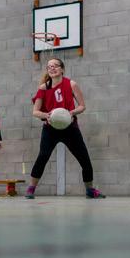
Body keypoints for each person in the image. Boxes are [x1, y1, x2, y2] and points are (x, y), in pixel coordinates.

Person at [25, 56, 105, 200]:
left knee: (85, 160)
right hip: (50, 129)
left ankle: (90, 190)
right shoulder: (43, 88)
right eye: (49, 66)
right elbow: (35, 112)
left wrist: (71, 113)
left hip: (70, 128)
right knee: (42, 157)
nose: (52, 68)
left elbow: (82, 106)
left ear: (62, 69)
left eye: (55, 65)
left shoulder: (71, 84)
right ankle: (31, 188)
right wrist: (47, 115)